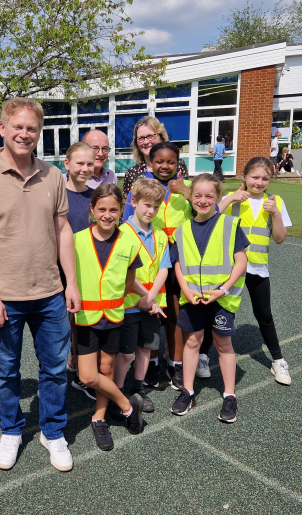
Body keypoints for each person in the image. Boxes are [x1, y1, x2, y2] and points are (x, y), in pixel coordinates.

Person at [0, 97, 80, 473]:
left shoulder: (52, 176)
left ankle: (52, 431)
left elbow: (63, 231)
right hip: (5, 299)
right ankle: (11, 431)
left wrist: (71, 284)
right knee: (6, 371)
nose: (24, 134)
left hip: (49, 294)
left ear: (39, 132)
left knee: (55, 369)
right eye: (18, 127)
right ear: (2, 128)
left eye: (31, 128)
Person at [169, 173, 249, 423]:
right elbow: (178, 266)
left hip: (221, 298)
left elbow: (241, 262)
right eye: (198, 196)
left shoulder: (230, 224)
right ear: (190, 197)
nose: (203, 200)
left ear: (218, 198)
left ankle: (229, 395)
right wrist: (186, 290)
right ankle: (188, 391)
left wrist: (223, 290)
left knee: (223, 345)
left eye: (209, 196)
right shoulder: (181, 231)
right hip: (193, 298)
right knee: (192, 343)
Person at [73, 184, 146, 451]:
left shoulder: (129, 240)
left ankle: (99, 417)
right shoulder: (76, 239)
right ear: (92, 210)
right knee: (88, 375)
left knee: (106, 369)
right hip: (85, 318)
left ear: (122, 210)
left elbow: (129, 278)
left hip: (114, 316)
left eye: (113, 209)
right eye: (101, 209)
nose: (107, 214)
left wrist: (116, 298)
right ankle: (127, 405)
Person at [123, 142, 193, 389]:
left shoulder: (185, 188)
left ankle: (175, 363)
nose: (165, 166)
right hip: (148, 262)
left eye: (171, 161)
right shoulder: (144, 189)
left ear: (178, 162)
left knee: (174, 314)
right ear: (150, 163)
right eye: (159, 162)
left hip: (178, 261)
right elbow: (127, 223)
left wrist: (186, 191)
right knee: (148, 316)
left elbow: (209, 211)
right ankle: (150, 363)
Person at [217, 157, 293, 385]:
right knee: (218, 312)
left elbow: (279, 238)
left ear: (271, 180)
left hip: (258, 269)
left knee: (264, 315)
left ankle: (278, 360)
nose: (259, 182)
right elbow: (209, 221)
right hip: (229, 268)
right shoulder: (232, 200)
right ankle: (201, 356)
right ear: (244, 177)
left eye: (265, 178)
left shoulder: (275, 202)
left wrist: (276, 214)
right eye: (254, 177)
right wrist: (230, 198)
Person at [115, 178, 170, 415]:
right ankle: (117, 390)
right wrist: (147, 296)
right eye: (147, 205)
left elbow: (164, 268)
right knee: (126, 352)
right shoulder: (121, 233)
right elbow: (126, 272)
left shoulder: (161, 235)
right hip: (129, 304)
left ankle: (138, 388)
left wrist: (151, 298)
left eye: (156, 207)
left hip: (151, 304)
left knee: (146, 348)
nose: (151, 211)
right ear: (133, 202)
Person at [61, 142, 98, 398]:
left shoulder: (95, 197)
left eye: (89, 163)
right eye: (79, 163)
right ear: (66, 164)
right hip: (55, 271)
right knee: (56, 324)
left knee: (80, 321)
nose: (85, 168)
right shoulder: (55, 194)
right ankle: (52, 373)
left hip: (86, 270)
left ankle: (79, 365)